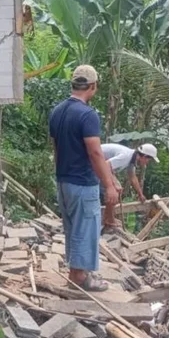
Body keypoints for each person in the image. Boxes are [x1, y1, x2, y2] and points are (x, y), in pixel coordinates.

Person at [49, 65, 118, 292]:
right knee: (86, 228)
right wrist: (109, 185)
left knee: (73, 228)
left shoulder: (57, 111)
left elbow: (56, 148)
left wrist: (60, 174)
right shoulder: (88, 115)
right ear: (92, 86)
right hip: (82, 182)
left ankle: (78, 271)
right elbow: (95, 152)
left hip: (63, 180)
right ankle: (79, 277)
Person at [99, 142, 160, 233]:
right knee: (114, 192)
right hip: (92, 163)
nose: (147, 162)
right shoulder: (126, 156)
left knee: (116, 190)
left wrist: (140, 194)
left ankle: (107, 218)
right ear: (144, 156)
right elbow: (106, 165)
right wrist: (114, 182)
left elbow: (132, 177)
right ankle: (108, 220)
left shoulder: (132, 159)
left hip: (99, 165)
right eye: (148, 160)